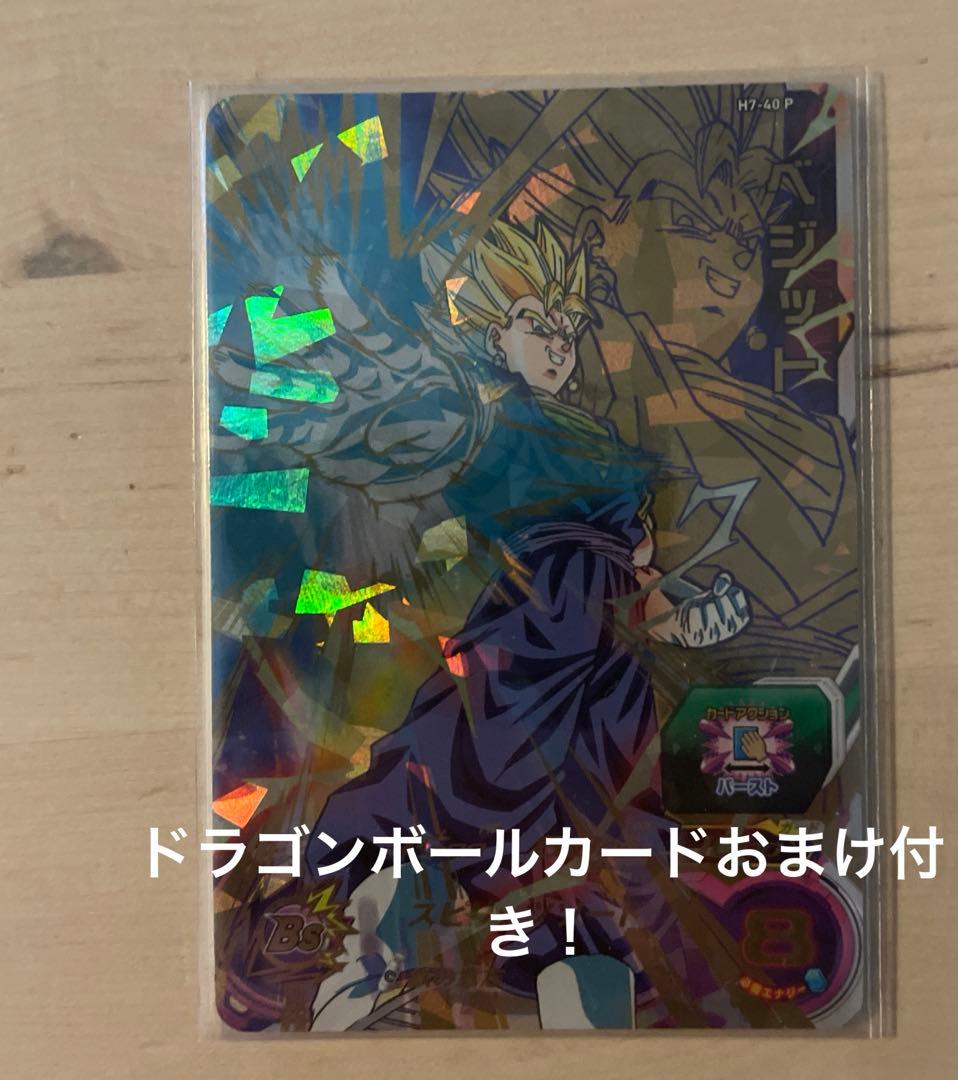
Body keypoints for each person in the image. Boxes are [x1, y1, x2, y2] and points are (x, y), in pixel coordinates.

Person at [297, 216, 752, 1030]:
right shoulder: (488, 424)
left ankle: (570, 980)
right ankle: (371, 946)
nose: (559, 342)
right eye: (535, 323)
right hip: (533, 647)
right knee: (460, 788)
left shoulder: (582, 434)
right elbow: (563, 581)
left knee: (600, 858)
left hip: (601, 681)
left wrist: (675, 613)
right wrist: (348, 305)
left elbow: (623, 572)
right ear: (492, 336)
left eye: (568, 325)